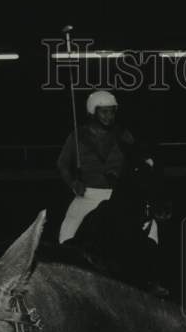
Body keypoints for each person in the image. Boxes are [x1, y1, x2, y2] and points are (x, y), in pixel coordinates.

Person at [56, 90, 136, 244]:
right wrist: (73, 183)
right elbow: (62, 164)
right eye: (104, 112)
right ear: (93, 112)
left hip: (118, 195)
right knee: (67, 233)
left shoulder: (124, 134)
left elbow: (136, 160)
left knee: (150, 227)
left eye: (112, 112)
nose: (109, 116)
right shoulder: (78, 135)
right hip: (88, 195)